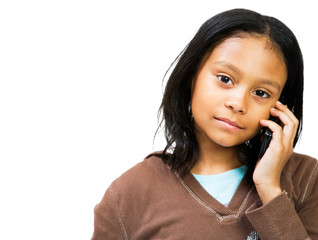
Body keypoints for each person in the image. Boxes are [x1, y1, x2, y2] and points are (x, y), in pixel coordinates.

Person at [92, 8, 318, 239]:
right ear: (192, 75)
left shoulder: (306, 179)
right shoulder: (130, 192)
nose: (238, 103)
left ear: (280, 106)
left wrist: (270, 189)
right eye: (225, 79)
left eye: (261, 92)